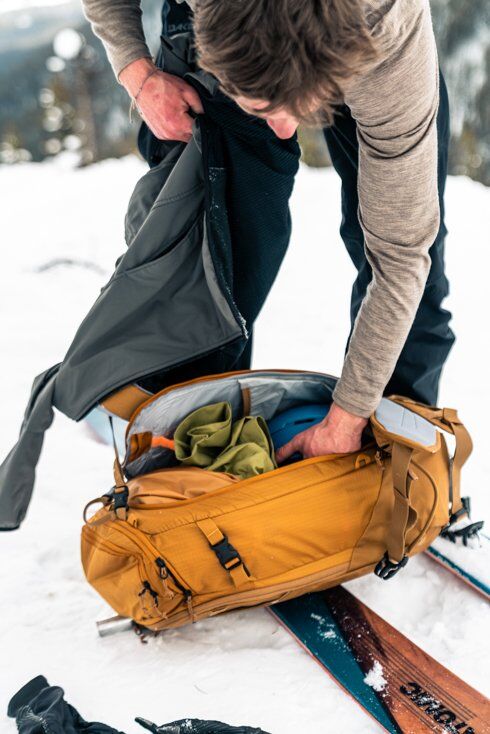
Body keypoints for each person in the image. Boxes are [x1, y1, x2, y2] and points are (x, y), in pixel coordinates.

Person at [81, 0, 454, 463]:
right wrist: (137, 71)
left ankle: (400, 473)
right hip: (226, 23)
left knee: (417, 275)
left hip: (367, 46)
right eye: (261, 107)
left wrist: (347, 417)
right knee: (214, 246)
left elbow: (400, 256)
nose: (284, 130)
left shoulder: (389, 45)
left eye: (296, 108)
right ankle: (191, 464)